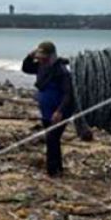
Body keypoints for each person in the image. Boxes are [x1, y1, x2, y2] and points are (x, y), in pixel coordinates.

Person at [21, 40, 73, 177]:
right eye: (39, 56)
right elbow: (26, 68)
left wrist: (60, 111)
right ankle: (58, 169)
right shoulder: (41, 67)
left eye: (43, 56)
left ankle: (52, 171)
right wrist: (30, 56)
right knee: (53, 139)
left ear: (51, 56)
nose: (40, 58)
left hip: (59, 111)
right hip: (46, 111)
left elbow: (68, 94)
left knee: (52, 138)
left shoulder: (61, 71)